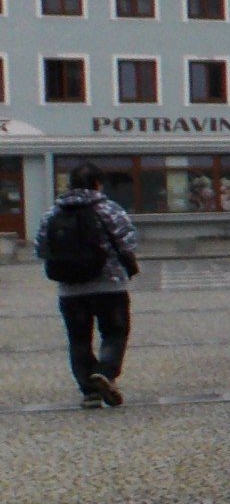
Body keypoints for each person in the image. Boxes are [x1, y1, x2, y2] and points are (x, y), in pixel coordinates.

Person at [32, 164, 140, 407]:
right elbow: (128, 241)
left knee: (79, 338)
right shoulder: (109, 209)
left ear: (69, 183)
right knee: (114, 331)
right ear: (98, 184)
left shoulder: (52, 213)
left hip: (70, 289)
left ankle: (89, 392)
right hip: (109, 285)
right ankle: (105, 371)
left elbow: (40, 248)